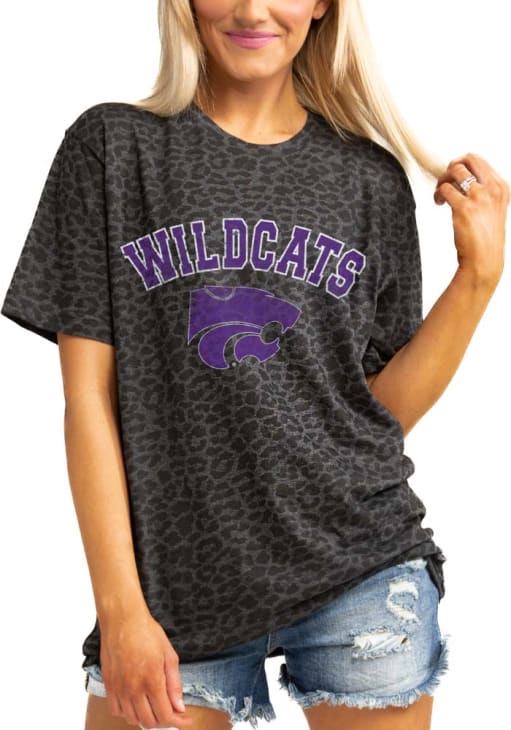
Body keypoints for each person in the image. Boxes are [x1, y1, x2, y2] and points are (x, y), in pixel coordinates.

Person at [2, 0, 509, 728]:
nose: (250, 9)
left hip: (358, 567)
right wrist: (121, 612)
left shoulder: (368, 178)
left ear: (322, 5)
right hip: (175, 588)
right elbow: (88, 403)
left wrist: (477, 280)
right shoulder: (113, 148)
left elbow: (376, 413)